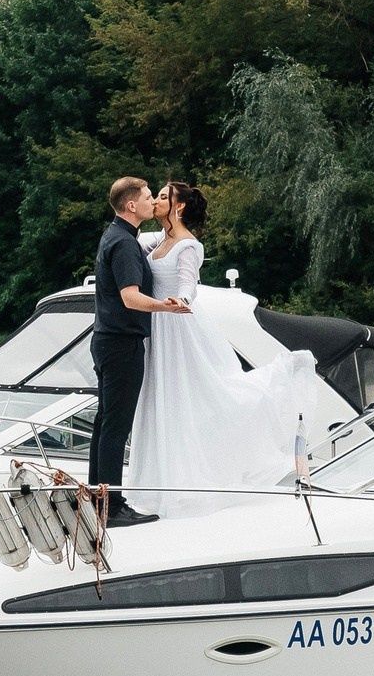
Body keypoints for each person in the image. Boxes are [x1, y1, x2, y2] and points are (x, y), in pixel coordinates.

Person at [126, 181, 317, 519]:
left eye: (164, 197)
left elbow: (188, 284)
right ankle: (165, 482)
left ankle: (202, 475)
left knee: (196, 398)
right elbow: (130, 240)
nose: (156, 200)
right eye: (156, 195)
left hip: (179, 327)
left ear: (179, 207)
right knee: (162, 400)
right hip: (158, 327)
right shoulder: (158, 240)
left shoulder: (188, 245)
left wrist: (181, 301)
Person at [90, 175, 188, 526]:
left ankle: (96, 500)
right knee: (115, 427)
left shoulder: (115, 236)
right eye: (147, 197)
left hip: (106, 341)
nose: (151, 201)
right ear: (131, 205)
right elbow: (129, 297)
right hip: (121, 344)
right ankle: (112, 508)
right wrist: (167, 306)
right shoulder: (125, 244)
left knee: (104, 423)